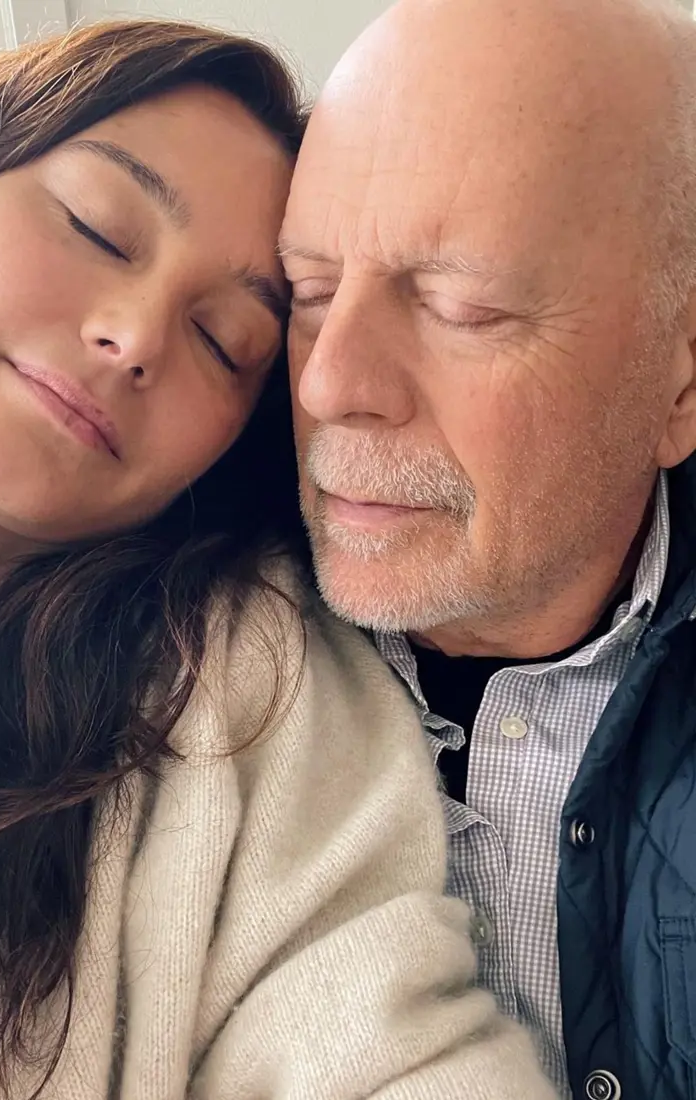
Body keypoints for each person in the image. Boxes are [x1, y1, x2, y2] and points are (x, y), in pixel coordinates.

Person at [0, 18, 554, 1100]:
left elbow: (376, 1031)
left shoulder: (244, 688)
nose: (134, 336)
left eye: (225, 341)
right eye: (97, 227)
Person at [282, 0, 696, 1096]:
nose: (329, 384)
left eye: (462, 308)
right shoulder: (167, 669)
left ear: (683, 374)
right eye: (306, 294)